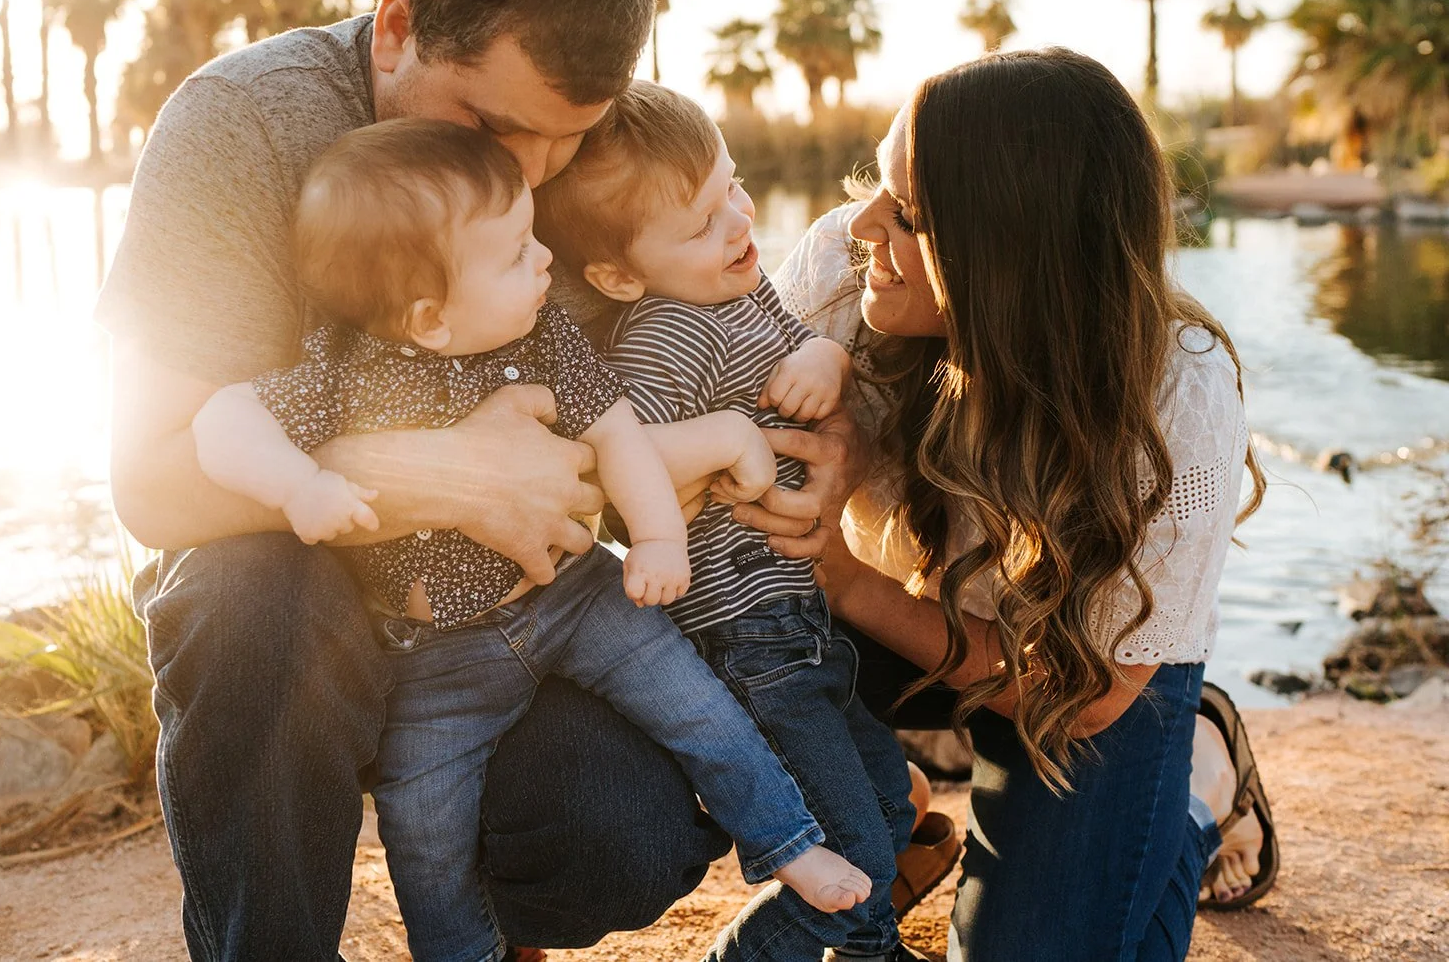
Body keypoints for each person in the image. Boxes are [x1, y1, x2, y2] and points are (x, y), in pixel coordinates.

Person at [92, 0, 876, 957]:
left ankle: (506, 931)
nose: (536, 173)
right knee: (246, 605)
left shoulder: (573, 151)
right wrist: (434, 474)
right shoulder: (244, 126)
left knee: (627, 829)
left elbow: (716, 319)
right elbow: (149, 481)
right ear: (397, 25)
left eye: (572, 135)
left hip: (504, 610)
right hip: (298, 578)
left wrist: (819, 435)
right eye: (496, 128)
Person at [189, 117, 873, 962]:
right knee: (422, 820)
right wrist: (299, 486)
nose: (543, 258)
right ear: (430, 317)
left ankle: (788, 841)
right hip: (441, 653)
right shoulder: (343, 374)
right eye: (516, 251)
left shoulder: (545, 338)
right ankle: (462, 951)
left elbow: (618, 434)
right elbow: (221, 420)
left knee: (697, 703)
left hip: (575, 598)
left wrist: (658, 538)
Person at [773, 48, 1280, 961]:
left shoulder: (1176, 397)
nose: (862, 225)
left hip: (1080, 671)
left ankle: (1200, 779)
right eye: (875, 187)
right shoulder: (844, 280)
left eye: (906, 214)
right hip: (886, 625)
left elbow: (1080, 698)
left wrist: (847, 582)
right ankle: (895, 809)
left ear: (1002, 250)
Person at [535, 82, 920, 962]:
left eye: (734, 187)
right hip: (747, 638)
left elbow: (796, 349)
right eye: (704, 221)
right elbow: (619, 461)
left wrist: (826, 355)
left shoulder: (737, 294)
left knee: (889, 807)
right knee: (851, 852)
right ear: (620, 275)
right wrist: (724, 440)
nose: (740, 220)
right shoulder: (669, 331)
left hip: (804, 625)